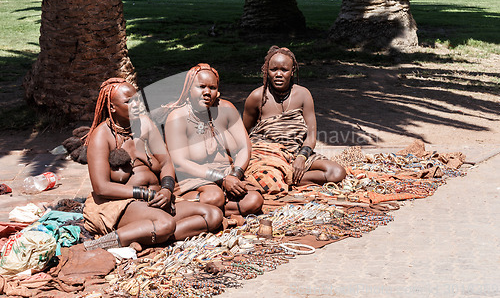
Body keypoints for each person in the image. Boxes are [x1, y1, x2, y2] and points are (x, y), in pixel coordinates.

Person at [82, 78, 223, 250]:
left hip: (158, 200)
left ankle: (146, 235)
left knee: (213, 214)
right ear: (112, 107)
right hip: (122, 203)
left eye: (137, 100)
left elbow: (165, 163)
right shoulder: (101, 136)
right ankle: (97, 245)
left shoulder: (145, 124)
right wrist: (145, 194)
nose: (135, 105)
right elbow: (101, 188)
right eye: (128, 102)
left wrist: (166, 189)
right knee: (165, 224)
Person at [164, 63, 263, 216]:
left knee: (254, 200)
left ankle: (211, 214)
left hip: (226, 175)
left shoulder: (226, 109)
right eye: (201, 87)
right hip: (193, 179)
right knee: (213, 197)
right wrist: (221, 179)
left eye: (212, 88)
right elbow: (180, 163)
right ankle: (192, 208)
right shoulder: (178, 117)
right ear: (189, 89)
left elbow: (244, 147)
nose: (207, 92)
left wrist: (235, 175)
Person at [243, 46, 345, 191]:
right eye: (274, 70)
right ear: (266, 71)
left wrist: (301, 158)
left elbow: (311, 136)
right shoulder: (257, 97)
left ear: (292, 72)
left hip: (296, 153)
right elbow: (243, 135)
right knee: (266, 179)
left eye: (284, 70)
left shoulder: (303, 95)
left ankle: (284, 177)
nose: (279, 74)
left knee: (336, 172)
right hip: (267, 155)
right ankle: (284, 177)